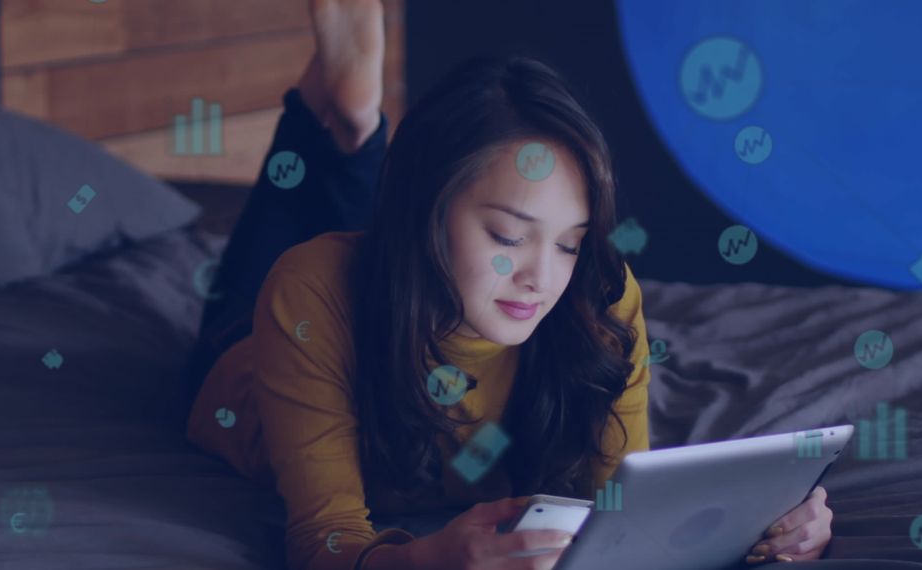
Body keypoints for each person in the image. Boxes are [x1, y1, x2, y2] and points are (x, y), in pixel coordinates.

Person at [181, 1, 833, 569]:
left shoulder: (597, 296)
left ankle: (356, 130)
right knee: (300, 245)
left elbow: (625, 515)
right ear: (432, 216)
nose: (541, 278)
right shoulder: (311, 293)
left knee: (368, 239)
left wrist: (766, 530)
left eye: (570, 241)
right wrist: (418, 561)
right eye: (507, 236)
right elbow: (324, 540)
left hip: (406, 266)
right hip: (247, 370)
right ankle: (348, 126)